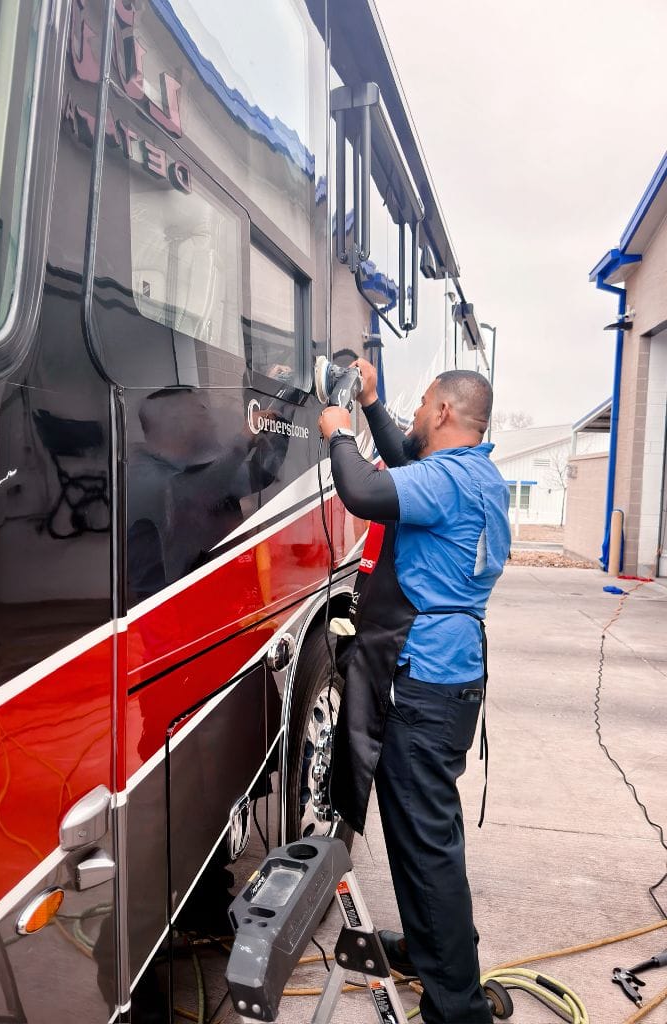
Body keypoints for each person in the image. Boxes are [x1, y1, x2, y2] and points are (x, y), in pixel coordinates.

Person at [319, 359, 510, 1024]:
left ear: (446, 413)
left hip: (424, 683)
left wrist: (340, 432)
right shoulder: (476, 474)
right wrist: (372, 406)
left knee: (425, 846)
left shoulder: (448, 479)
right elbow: (405, 461)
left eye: (423, 402)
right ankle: (437, 955)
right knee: (425, 836)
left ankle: (456, 1007)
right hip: (450, 679)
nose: (416, 412)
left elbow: (366, 492)